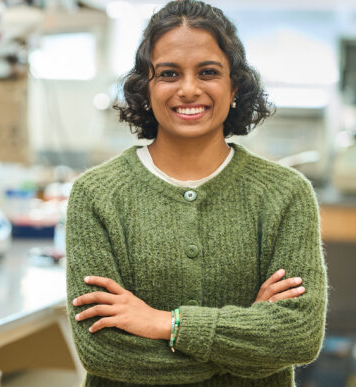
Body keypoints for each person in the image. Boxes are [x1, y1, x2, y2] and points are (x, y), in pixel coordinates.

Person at [65, 1, 328, 386]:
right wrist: (246, 345)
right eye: (169, 73)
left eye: (208, 72)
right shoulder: (96, 196)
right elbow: (104, 351)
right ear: (146, 87)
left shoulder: (285, 194)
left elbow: (298, 336)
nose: (189, 90)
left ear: (235, 85)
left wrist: (164, 323)